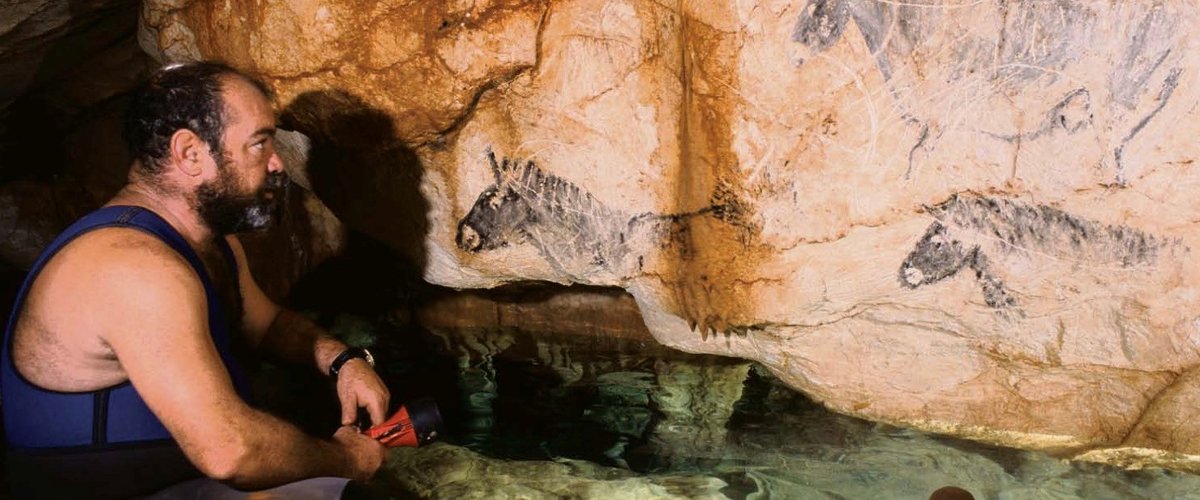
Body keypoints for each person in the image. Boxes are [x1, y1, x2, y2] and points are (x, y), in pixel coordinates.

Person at [1, 61, 389, 498]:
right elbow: (230, 452)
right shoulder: (131, 266)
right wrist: (348, 459)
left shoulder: (209, 246)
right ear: (189, 153)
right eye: (260, 143)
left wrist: (343, 361)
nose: (277, 164)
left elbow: (266, 324)